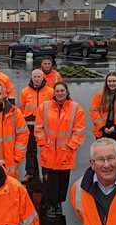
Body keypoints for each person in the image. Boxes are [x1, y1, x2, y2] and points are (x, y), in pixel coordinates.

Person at [35, 82, 85, 217]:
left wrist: (71, 146)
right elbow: (38, 128)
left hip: (65, 152)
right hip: (49, 151)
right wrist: (43, 144)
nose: (60, 93)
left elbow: (79, 130)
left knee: (63, 181)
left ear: (67, 91)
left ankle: (59, 203)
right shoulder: (44, 107)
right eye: (57, 91)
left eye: (62, 90)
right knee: (50, 181)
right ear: (54, 92)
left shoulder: (76, 108)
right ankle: (51, 204)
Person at [18, 69, 54, 184]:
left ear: (43, 77)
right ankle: (30, 173)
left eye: (39, 77)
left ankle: (46, 172)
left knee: (45, 149)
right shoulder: (25, 92)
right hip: (30, 126)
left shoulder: (50, 91)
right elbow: (21, 109)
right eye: (35, 77)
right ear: (31, 77)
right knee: (30, 150)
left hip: (45, 126)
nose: (37, 79)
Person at [89, 71, 116, 148]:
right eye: (109, 81)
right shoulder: (99, 94)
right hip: (101, 129)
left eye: (114, 81)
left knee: (114, 154)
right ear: (106, 82)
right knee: (101, 153)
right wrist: (102, 127)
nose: (111, 83)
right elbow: (93, 111)